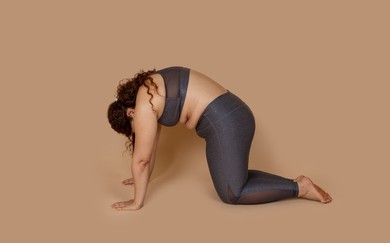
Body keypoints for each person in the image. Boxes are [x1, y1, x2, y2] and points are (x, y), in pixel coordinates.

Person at [107, 66, 332, 210]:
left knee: (232, 193)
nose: (139, 132)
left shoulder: (144, 105)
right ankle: (296, 184)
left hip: (226, 123)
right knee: (235, 180)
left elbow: (142, 159)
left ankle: (299, 188)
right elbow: (150, 151)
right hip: (232, 116)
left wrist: (136, 202)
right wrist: (140, 179)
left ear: (130, 113)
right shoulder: (151, 88)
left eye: (133, 128)